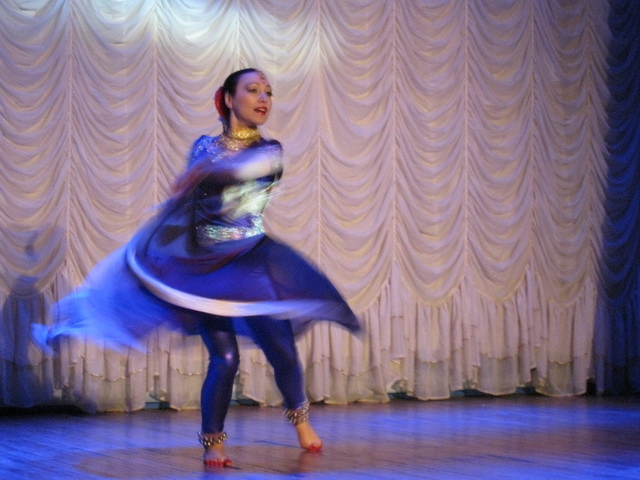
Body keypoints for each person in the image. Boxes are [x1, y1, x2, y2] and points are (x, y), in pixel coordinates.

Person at [33, 68, 361, 467]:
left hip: (252, 264)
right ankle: (212, 442)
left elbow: (239, 172)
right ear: (228, 99)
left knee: (282, 349)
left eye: (268, 92)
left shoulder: (269, 151)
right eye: (253, 90)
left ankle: (300, 420)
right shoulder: (204, 146)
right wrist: (191, 186)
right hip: (206, 270)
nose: (264, 99)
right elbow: (194, 194)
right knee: (225, 359)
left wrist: (202, 174)